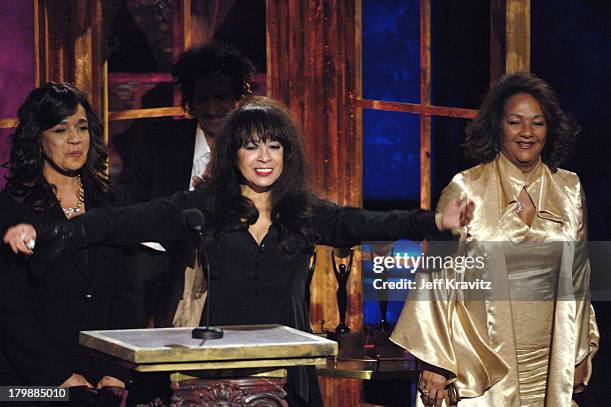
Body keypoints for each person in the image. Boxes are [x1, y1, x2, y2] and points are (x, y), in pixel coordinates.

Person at [5, 96, 472, 406]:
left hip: (287, 377)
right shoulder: (202, 208)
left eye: (273, 146)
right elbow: (120, 221)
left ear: (287, 154)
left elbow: (367, 222)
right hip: (213, 380)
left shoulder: (303, 212)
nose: (264, 157)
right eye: (251, 147)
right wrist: (47, 234)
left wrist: (436, 221)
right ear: (234, 155)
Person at [390, 72, 599, 407]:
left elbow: (578, 276)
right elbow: (436, 276)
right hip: (481, 358)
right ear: (497, 126)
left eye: (538, 123)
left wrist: (578, 352)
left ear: (550, 130)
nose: (527, 132)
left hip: (550, 357)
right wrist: (435, 361)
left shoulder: (570, 190)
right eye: (515, 122)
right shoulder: (466, 188)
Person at [0, 83, 139, 403]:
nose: (75, 139)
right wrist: (57, 377)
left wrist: (118, 370)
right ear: (38, 138)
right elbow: (9, 308)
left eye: (82, 127)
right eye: (61, 129)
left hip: (105, 378)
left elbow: (129, 293)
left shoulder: (113, 202)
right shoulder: (9, 210)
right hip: (30, 383)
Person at [112, 42, 255, 327]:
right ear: (189, 101)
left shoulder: (257, 146)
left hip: (237, 259)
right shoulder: (161, 141)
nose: (212, 108)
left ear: (238, 98)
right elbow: (130, 195)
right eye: (202, 98)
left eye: (221, 97)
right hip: (167, 265)